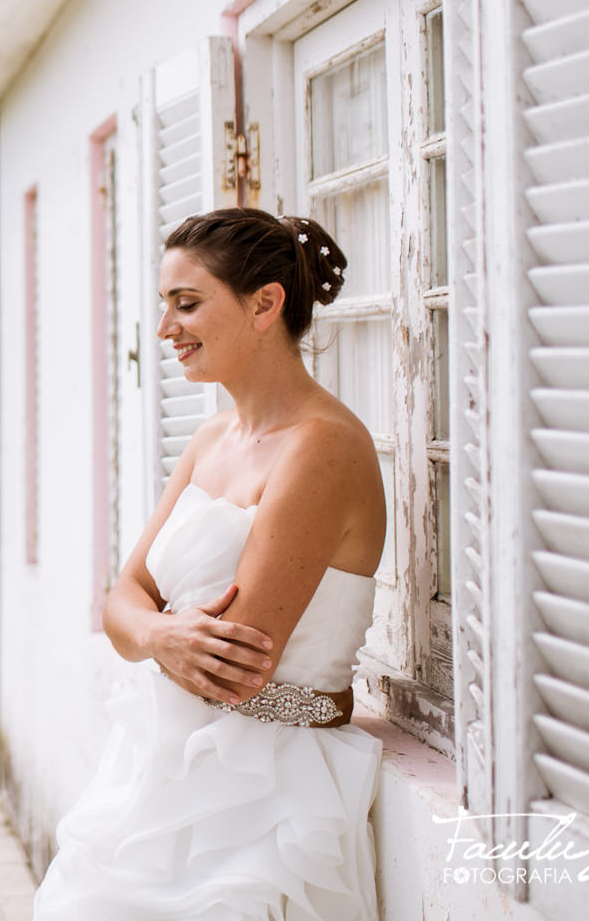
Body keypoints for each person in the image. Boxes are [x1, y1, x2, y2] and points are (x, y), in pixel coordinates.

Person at [31, 207, 388, 921]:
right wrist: (162, 635)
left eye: (186, 304)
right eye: (165, 305)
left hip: (260, 799)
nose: (166, 330)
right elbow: (121, 597)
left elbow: (235, 674)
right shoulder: (213, 437)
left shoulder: (322, 447)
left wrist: (150, 630)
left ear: (265, 303)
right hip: (161, 777)